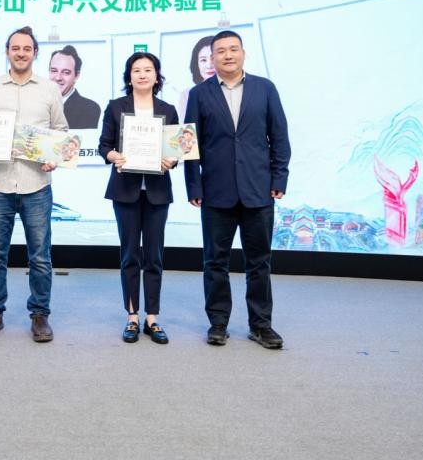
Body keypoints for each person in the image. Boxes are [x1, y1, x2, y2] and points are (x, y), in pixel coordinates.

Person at [184, 30, 290, 349]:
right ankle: (218, 323)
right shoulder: (199, 94)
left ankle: (261, 325)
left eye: (233, 49)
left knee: (259, 262)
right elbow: (190, 144)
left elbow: (279, 136)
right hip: (215, 192)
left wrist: (279, 178)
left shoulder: (265, 88)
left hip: (259, 190)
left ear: (243, 53)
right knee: (215, 261)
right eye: (221, 51)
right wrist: (193, 184)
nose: (228, 55)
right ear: (212, 58)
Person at [0, 26, 67, 342]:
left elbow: (60, 130)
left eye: (27, 48)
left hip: (36, 183)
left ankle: (40, 315)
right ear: (7, 52)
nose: (21, 53)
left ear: (35, 53)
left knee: (40, 256)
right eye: (16, 48)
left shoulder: (49, 89)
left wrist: (53, 156)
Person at [98, 52, 179, 344]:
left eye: (148, 70)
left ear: (157, 77)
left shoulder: (168, 110)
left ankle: (152, 318)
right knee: (130, 254)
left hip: (157, 192)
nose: (142, 75)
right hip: (125, 191)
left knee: (154, 256)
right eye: (136, 70)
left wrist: (172, 159)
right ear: (129, 77)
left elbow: (176, 148)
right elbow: (103, 146)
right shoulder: (115, 107)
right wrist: (114, 155)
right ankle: (132, 316)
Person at [49, 45, 100, 129]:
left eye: (66, 72)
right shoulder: (38, 103)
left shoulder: (89, 108)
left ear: (76, 76)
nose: (58, 78)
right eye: (54, 71)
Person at [177, 35, 217, 122]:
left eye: (213, 59)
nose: (209, 65)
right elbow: (186, 128)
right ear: (197, 64)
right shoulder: (187, 94)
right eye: (203, 60)